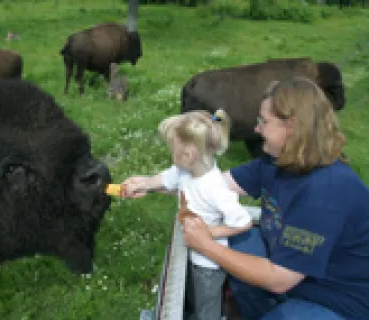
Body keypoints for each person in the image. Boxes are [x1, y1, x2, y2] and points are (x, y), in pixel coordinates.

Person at [181, 76, 369, 320]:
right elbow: (212, 185)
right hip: (293, 272)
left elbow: (280, 279)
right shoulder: (277, 161)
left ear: (291, 126)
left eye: (264, 121)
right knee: (239, 241)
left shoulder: (326, 191)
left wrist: (205, 244)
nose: (256, 129)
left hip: (334, 300)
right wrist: (151, 184)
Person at [122, 109, 253, 320]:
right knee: (192, 299)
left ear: (189, 155)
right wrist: (144, 183)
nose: (171, 157)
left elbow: (243, 222)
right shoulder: (187, 171)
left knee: (206, 308)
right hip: (191, 251)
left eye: (173, 152)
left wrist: (209, 233)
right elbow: (167, 178)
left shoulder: (214, 188)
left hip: (209, 264)